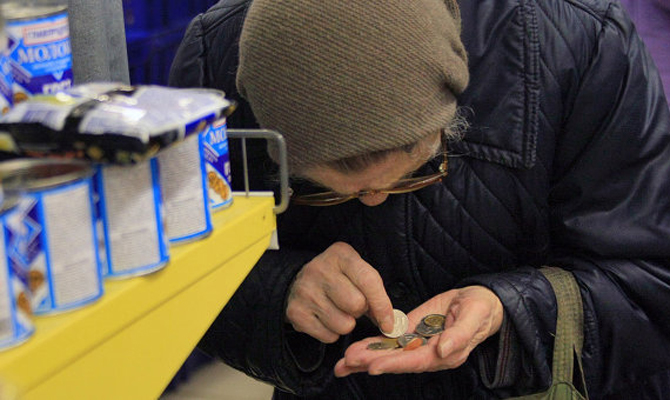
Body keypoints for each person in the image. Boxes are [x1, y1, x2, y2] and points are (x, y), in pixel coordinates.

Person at [169, 0, 670, 398]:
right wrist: (280, 290)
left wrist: (510, 312)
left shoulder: (580, 41)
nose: (372, 202)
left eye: (412, 173)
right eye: (323, 189)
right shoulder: (214, 60)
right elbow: (176, 278)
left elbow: (651, 284)